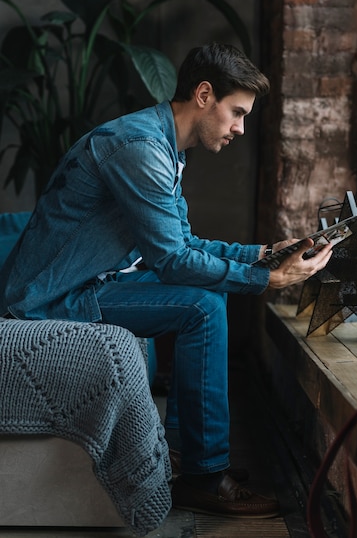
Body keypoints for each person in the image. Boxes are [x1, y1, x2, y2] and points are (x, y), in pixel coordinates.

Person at [0, 42, 332, 519]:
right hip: (48, 301)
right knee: (203, 306)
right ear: (203, 95)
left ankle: (194, 461)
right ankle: (203, 475)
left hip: (91, 284)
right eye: (236, 113)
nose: (240, 127)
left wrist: (263, 255)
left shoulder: (162, 146)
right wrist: (266, 281)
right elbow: (173, 260)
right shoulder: (138, 148)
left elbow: (185, 242)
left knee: (206, 302)